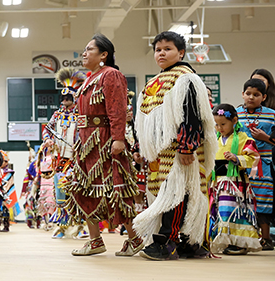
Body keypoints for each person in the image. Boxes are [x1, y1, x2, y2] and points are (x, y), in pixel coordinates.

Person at [133, 31, 216, 261]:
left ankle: (168, 242)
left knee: (178, 194)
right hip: (160, 152)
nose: (161, 53)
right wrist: (141, 148)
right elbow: (143, 119)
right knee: (165, 194)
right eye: (158, 49)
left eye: (167, 49)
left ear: (181, 52)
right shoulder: (155, 81)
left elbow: (192, 113)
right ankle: (186, 243)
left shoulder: (186, 78)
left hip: (180, 150)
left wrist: (187, 145)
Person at [66, 34, 142, 256]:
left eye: (89, 49)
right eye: (84, 49)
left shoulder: (112, 75)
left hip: (104, 141)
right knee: (85, 188)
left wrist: (118, 138)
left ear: (104, 54)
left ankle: (135, 239)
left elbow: (116, 109)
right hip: (86, 142)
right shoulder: (90, 78)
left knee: (115, 188)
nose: (84, 53)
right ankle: (95, 240)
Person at [210, 104, 261, 255]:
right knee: (220, 211)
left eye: (223, 124)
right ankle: (225, 241)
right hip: (218, 182)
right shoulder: (216, 139)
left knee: (234, 210)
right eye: (217, 125)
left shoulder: (244, 138)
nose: (219, 128)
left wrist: (237, 158)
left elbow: (254, 157)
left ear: (234, 120)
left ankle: (239, 243)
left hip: (235, 182)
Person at [43, 68, 84, 239]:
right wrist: (48, 140)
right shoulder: (57, 115)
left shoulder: (80, 115)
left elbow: (85, 133)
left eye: (69, 98)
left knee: (77, 191)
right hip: (59, 159)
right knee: (60, 192)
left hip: (76, 159)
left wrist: (80, 146)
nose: (66, 101)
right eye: (64, 98)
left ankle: (80, 226)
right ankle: (62, 225)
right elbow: (47, 130)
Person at [237, 78, 275, 250]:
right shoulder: (235, 114)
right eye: (248, 93)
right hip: (242, 165)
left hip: (264, 165)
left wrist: (264, 138)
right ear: (242, 94)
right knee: (242, 200)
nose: (251, 97)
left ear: (264, 97)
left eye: (256, 94)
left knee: (263, 200)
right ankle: (245, 238)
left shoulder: (271, 115)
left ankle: (266, 239)